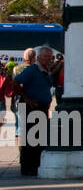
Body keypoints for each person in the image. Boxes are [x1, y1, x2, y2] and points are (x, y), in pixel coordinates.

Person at [14, 47, 56, 176]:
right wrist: (26, 98)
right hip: (31, 108)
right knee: (31, 138)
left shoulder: (45, 71)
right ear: (38, 58)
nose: (48, 59)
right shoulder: (32, 70)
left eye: (50, 57)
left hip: (41, 108)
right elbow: (15, 82)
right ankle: (28, 168)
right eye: (45, 57)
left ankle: (35, 165)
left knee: (39, 138)